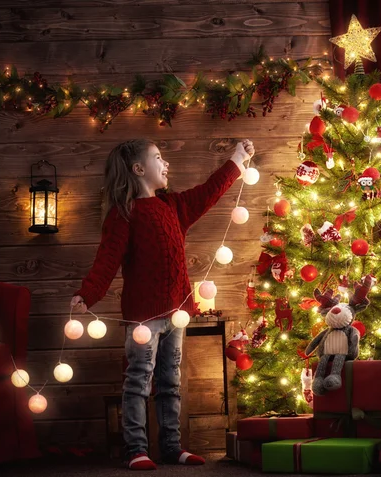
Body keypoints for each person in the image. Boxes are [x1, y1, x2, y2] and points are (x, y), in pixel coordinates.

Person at [71, 138, 255, 470]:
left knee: (170, 382)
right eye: (158, 158)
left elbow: (207, 192)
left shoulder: (173, 206)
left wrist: (236, 160)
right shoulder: (124, 214)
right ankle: (136, 449)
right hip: (143, 319)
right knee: (139, 380)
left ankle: (171, 446)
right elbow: (107, 260)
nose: (165, 163)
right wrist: (87, 295)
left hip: (177, 314)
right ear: (139, 169)